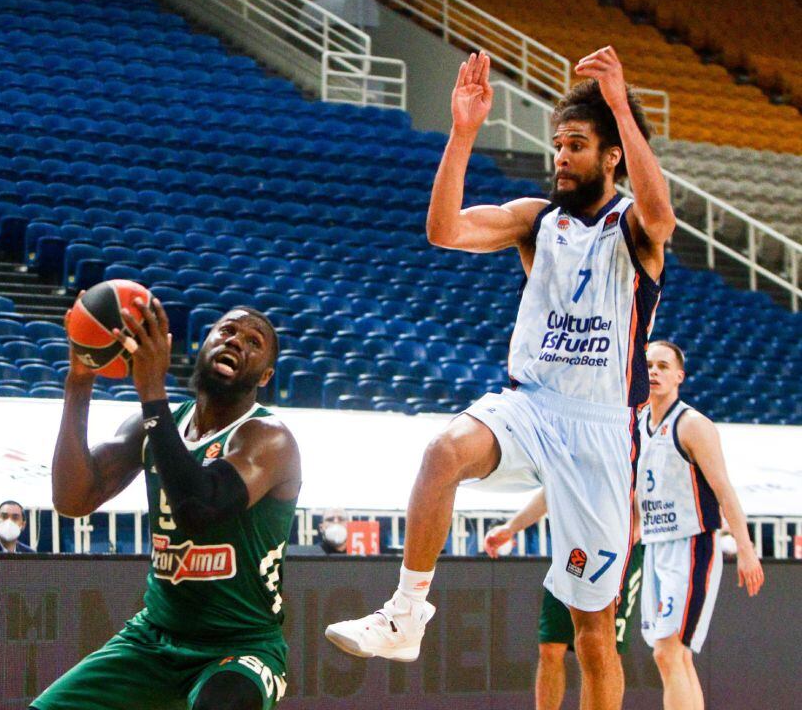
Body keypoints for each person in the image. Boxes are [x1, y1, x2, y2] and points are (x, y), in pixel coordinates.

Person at [326, 46, 674, 710]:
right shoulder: (534, 220)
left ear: (611, 158)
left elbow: (661, 217)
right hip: (532, 405)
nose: (561, 156)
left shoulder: (631, 229)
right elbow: (444, 229)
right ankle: (405, 614)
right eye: (558, 144)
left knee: (593, 637)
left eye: (577, 144)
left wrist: (622, 105)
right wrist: (461, 134)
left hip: (603, 433)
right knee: (442, 453)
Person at [33, 302, 301, 710]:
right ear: (202, 344)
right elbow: (72, 499)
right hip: (154, 638)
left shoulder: (269, 437)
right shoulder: (153, 424)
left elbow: (199, 510)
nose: (236, 341)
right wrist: (80, 380)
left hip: (240, 647)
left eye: (253, 342)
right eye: (226, 331)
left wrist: (151, 393)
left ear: (265, 376)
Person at [638, 341, 764, 710]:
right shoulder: (639, 424)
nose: (654, 371)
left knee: (668, 652)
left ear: (680, 376)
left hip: (692, 545)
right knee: (674, 657)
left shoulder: (692, 424)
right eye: (647, 365)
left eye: (663, 366)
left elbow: (724, 490)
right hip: (655, 544)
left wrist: (746, 549)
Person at [484, 489, 645, 710]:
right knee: (551, 644)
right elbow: (553, 487)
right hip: (575, 548)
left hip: (619, 548)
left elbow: (645, 486)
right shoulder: (568, 455)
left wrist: (634, 530)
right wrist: (511, 527)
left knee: (604, 648)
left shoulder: (630, 456)